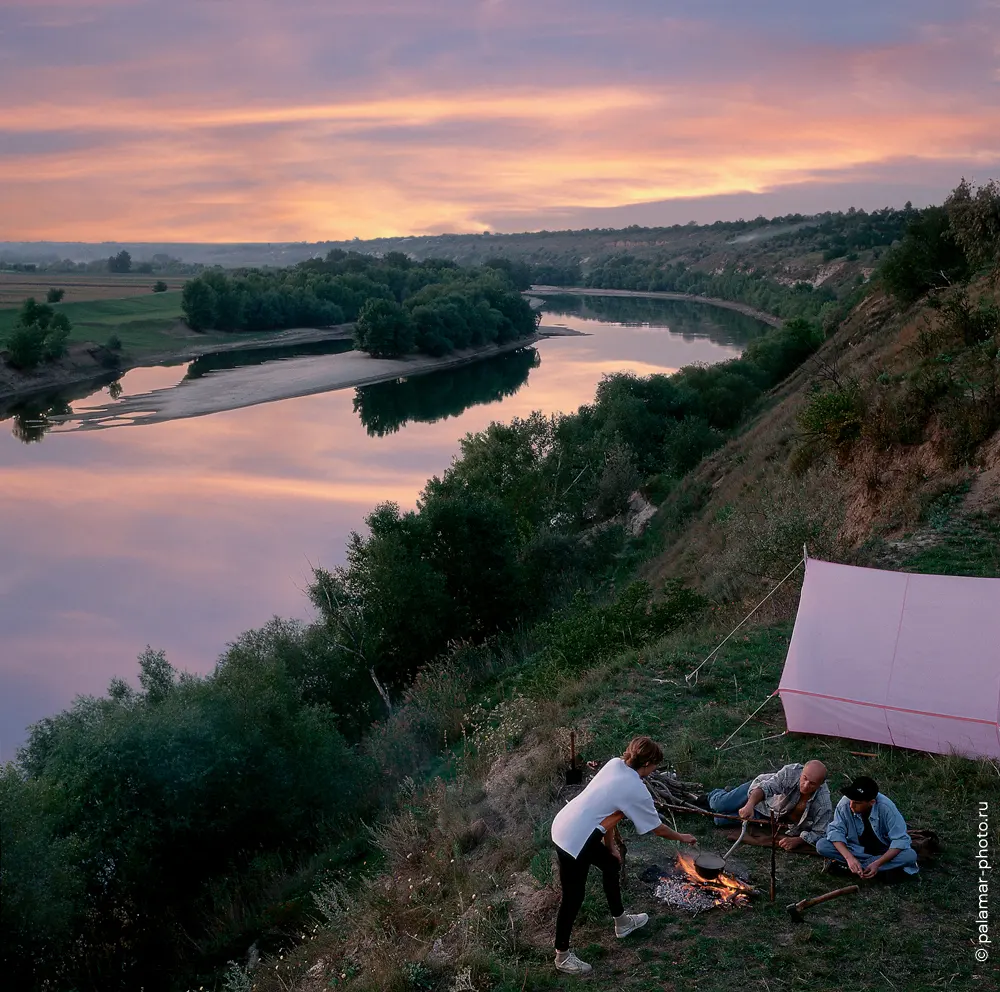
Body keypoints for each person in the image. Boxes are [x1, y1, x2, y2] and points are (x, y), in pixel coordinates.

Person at [550, 736, 698, 976]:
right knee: (573, 897)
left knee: (610, 864)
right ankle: (562, 957)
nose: (655, 770)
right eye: (655, 765)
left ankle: (622, 923)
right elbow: (657, 828)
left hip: (568, 823)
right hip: (574, 839)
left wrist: (611, 847)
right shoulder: (636, 789)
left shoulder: (614, 764)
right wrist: (682, 837)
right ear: (648, 763)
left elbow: (609, 812)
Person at [706, 760, 832, 850]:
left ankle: (732, 793)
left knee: (719, 820)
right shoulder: (791, 772)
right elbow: (765, 787)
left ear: (820, 784)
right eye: (804, 778)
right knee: (719, 804)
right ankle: (713, 794)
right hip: (757, 793)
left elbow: (820, 832)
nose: (805, 785)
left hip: (769, 810)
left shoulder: (823, 803)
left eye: (812, 784)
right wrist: (749, 805)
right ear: (802, 772)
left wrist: (797, 840)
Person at [816, 775, 919, 878]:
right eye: (851, 800)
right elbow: (835, 831)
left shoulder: (887, 808)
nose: (852, 805)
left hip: (883, 851)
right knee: (822, 845)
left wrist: (877, 863)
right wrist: (849, 858)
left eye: (857, 803)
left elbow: (900, 840)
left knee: (910, 855)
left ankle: (852, 869)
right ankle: (875, 870)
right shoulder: (845, 804)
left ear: (871, 802)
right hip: (856, 849)